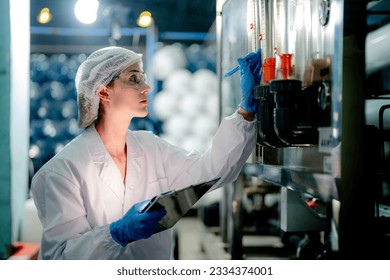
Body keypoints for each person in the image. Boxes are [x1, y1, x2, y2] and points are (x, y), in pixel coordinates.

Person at [31, 46, 261, 260]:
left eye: (142, 76)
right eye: (133, 78)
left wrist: (245, 112)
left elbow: (210, 171)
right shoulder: (61, 172)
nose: (146, 87)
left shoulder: (150, 147)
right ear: (103, 92)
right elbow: (59, 261)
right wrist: (116, 233)